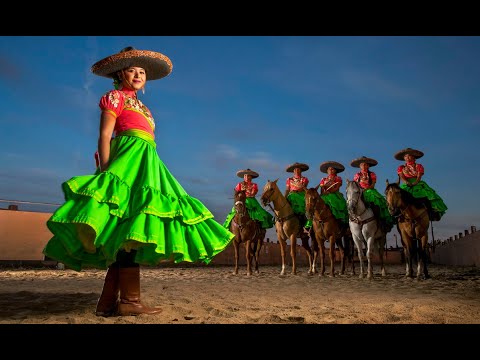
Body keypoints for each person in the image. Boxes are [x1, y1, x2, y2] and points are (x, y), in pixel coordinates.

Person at [43, 46, 235, 317]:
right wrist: (108, 171)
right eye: (132, 70)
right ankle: (128, 302)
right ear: (121, 73)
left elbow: (147, 139)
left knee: (132, 229)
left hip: (148, 163)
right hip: (126, 161)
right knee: (126, 224)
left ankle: (109, 302)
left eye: (142, 71)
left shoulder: (144, 107)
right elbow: (105, 136)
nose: (138, 74)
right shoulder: (114, 97)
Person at [394, 147, 447, 221]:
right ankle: (397, 215)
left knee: (426, 197)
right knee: (398, 198)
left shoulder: (418, 166)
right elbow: (402, 177)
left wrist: (415, 182)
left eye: (409, 156)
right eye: (405, 156)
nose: (407, 158)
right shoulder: (401, 167)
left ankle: (431, 213)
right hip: (406, 184)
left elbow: (419, 177)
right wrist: (406, 182)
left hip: (417, 183)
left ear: (413, 157)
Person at [351, 156, 394, 233]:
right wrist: (360, 191)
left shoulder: (372, 174)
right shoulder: (357, 175)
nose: (364, 166)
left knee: (378, 204)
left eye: (366, 165)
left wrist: (366, 189)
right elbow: (356, 185)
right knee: (352, 203)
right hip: (360, 192)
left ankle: (380, 221)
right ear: (360, 166)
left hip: (370, 191)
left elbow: (372, 185)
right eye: (362, 165)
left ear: (368, 166)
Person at [318, 161, 349, 228]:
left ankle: (341, 220)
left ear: (335, 171)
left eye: (332, 169)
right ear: (327, 171)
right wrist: (322, 194)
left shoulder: (338, 178)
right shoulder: (323, 179)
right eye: (329, 169)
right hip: (324, 195)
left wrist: (329, 192)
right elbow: (321, 188)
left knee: (340, 204)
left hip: (335, 194)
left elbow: (337, 187)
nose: (331, 170)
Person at [284, 162, 310, 227]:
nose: (296, 171)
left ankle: (304, 218)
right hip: (291, 194)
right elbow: (287, 189)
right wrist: (284, 197)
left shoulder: (304, 179)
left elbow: (303, 188)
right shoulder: (289, 179)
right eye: (295, 169)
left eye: (298, 169)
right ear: (293, 171)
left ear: (301, 170)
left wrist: (296, 191)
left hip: (301, 194)